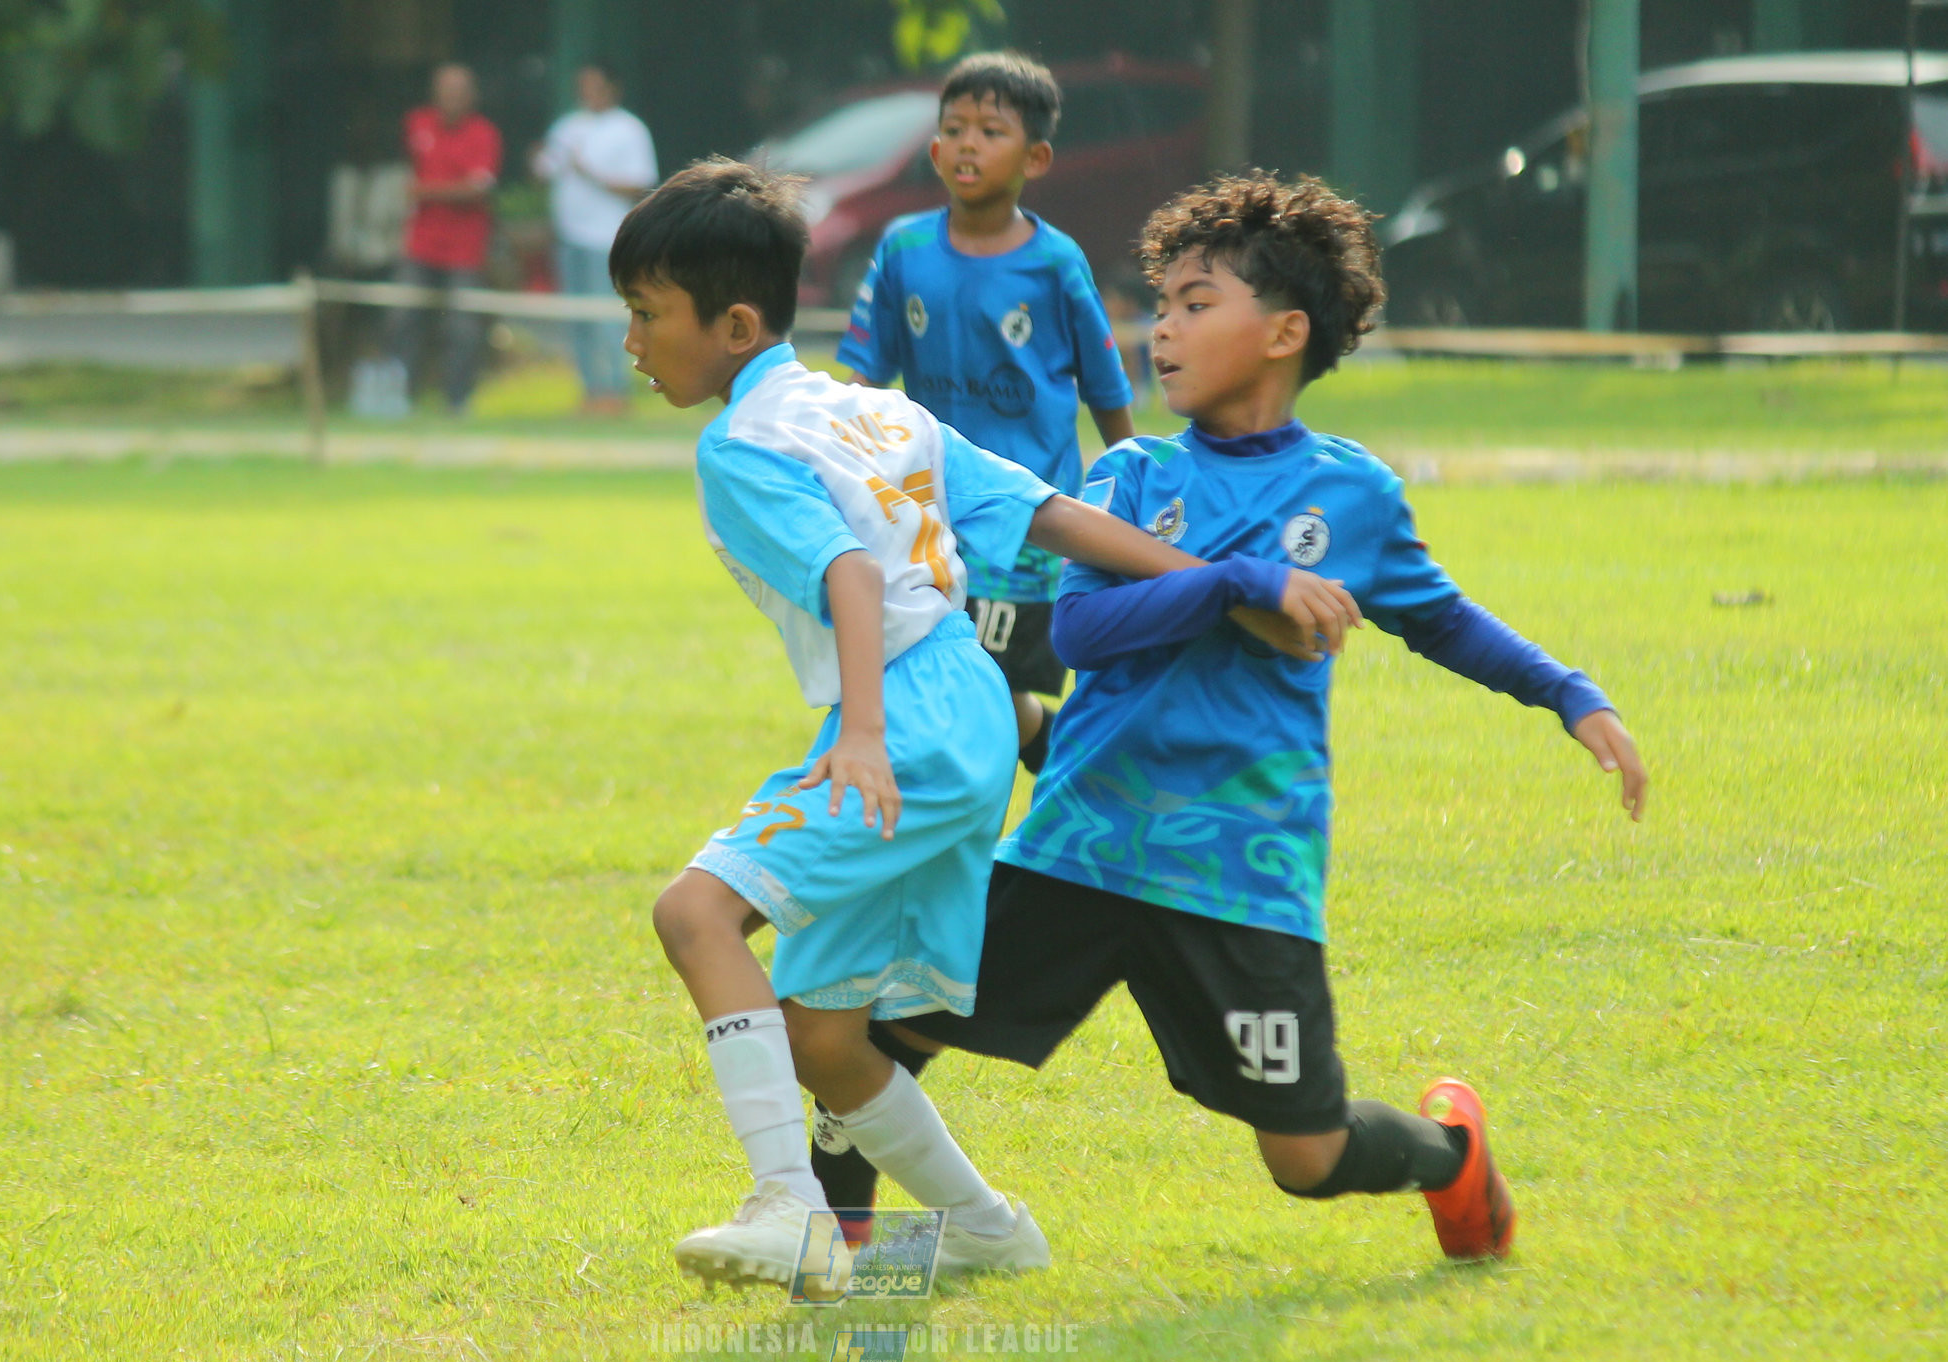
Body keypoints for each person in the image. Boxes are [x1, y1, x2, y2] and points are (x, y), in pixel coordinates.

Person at [821, 172, 1652, 1265]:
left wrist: (1567, 693)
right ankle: (835, 1238)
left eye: (1193, 303)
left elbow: (1440, 619)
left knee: (1303, 1157)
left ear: (1283, 332)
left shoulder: (1350, 494)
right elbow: (1078, 635)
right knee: (880, 1031)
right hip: (1084, 841)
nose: (1159, 328)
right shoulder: (1128, 474)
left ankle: (1451, 1157)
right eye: (1157, 305)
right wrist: (1233, 583)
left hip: (1241, 872)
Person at [613, 160, 1352, 1295]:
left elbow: (851, 579)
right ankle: (986, 1223)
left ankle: (788, 1208)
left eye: (647, 314)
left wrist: (859, 734)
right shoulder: (875, 410)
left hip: (901, 715)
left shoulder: (740, 447)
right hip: (968, 706)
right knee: (824, 1034)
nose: (631, 340)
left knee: (693, 913)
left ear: (736, 323)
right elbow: (1048, 514)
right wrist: (1230, 577)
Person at [837, 52, 1133, 781]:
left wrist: (1136, 484)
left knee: (990, 684)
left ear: (1036, 157)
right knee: (950, 679)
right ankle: (1062, 767)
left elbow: (1104, 384)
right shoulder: (903, 248)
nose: (968, 143)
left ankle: (1041, 800)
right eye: (956, 128)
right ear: (934, 149)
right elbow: (864, 382)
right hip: (927, 513)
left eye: (991, 130)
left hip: (1030, 521)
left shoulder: (1056, 263)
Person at [534, 63, 656, 417]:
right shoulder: (568, 127)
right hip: (569, 235)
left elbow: (639, 183)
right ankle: (590, 391)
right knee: (578, 318)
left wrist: (591, 174)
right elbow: (546, 170)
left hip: (607, 237)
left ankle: (615, 390)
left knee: (606, 316)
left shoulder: (629, 129)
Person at [387, 63, 502, 416]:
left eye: (459, 91)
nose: (451, 98)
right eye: (445, 90)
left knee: (462, 327)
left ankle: (457, 400)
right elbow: (406, 178)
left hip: (464, 249)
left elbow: (476, 189)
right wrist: (439, 191)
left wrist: (426, 191)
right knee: (401, 317)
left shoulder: (484, 133)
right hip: (420, 244)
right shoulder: (417, 123)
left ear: (472, 96)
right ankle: (400, 396)